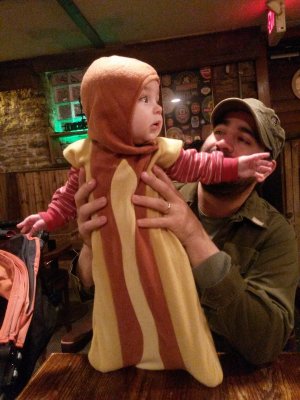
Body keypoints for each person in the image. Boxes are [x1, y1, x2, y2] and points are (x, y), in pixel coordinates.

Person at [74, 96, 299, 366]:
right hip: (147, 363)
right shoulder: (152, 196)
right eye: (219, 131)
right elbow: (99, 292)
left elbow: (265, 342)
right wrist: (91, 246)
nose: (222, 143)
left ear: (265, 168)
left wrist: (193, 235)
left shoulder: (276, 234)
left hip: (224, 371)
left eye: (244, 139)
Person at [17, 59, 271, 236]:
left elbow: (200, 164)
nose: (158, 108)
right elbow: (69, 196)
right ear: (113, 112)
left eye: (157, 99)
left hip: (154, 240)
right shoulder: (86, 156)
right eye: (145, 99)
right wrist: (49, 218)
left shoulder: (158, 151)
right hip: (111, 242)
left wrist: (238, 166)